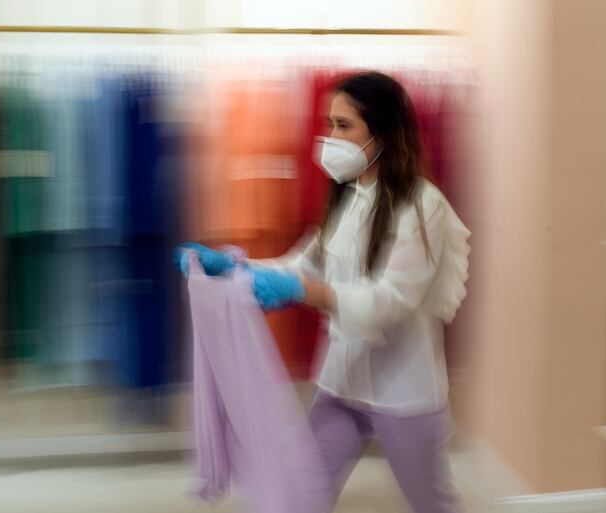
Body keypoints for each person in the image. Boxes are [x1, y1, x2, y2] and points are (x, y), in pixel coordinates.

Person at [176, 71, 470, 513]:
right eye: (328, 124)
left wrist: (302, 290)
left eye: (343, 126)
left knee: (432, 503)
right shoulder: (348, 198)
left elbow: (391, 300)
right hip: (342, 384)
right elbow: (302, 264)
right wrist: (232, 269)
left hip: (403, 393)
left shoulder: (422, 205)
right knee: (300, 496)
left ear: (384, 131)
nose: (329, 137)